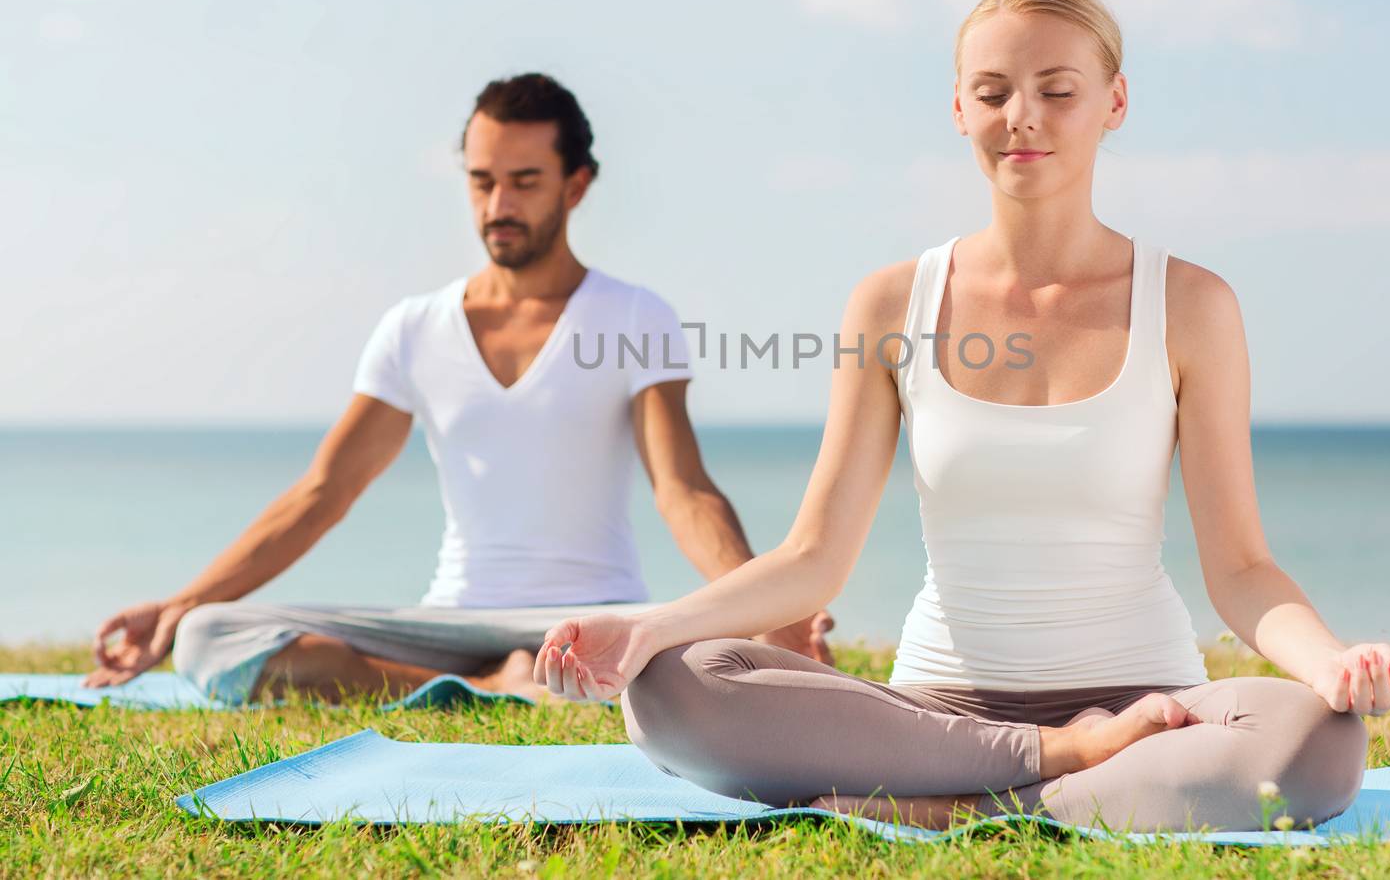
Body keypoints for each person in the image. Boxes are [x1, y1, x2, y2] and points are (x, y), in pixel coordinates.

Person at [524, 0, 1390, 833]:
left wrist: (1330, 661)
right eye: (992, 91)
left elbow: (1243, 571)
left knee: (1318, 739)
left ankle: (972, 809)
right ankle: (1058, 762)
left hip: (1153, 708)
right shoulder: (889, 304)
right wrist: (646, 629)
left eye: (1056, 89)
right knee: (672, 688)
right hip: (938, 715)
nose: (1021, 115)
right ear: (959, 110)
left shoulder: (1191, 305)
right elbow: (811, 556)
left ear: (1114, 102)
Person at [84, 73, 834, 704]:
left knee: (702, 654)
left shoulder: (635, 315)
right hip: (445, 618)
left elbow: (685, 491)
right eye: (482, 181)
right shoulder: (414, 327)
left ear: (577, 185)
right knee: (210, 635)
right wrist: (181, 604)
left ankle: (525, 674)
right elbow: (323, 492)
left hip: (599, 613)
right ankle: (489, 683)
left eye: (523, 181)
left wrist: (767, 605)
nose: (497, 205)